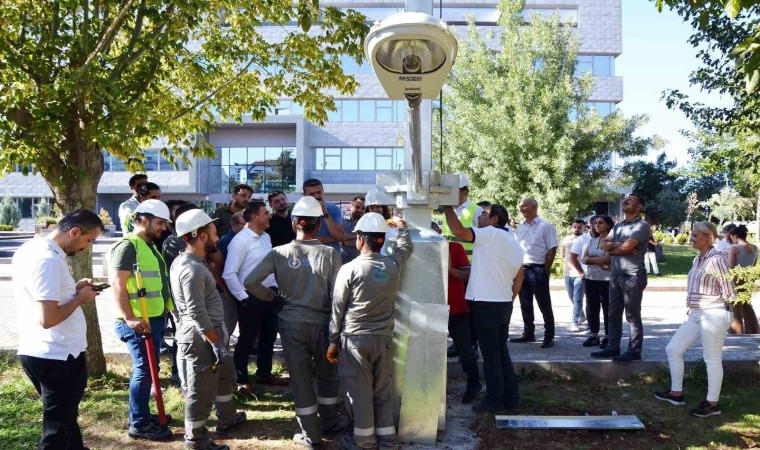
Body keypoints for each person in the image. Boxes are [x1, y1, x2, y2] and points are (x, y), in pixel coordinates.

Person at [244, 196, 347, 449]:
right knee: (327, 375)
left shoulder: (278, 253)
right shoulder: (330, 254)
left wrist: (274, 298)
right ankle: (330, 421)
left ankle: (310, 435)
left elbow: (250, 282)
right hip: (323, 325)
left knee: (300, 380)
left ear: (294, 224)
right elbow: (338, 296)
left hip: (291, 325)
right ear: (317, 225)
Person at [14, 209, 103, 450]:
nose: (87, 248)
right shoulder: (47, 260)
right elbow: (48, 318)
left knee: (65, 419)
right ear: (74, 231)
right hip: (55, 355)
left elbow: (46, 298)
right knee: (56, 431)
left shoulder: (34, 249)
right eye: (89, 240)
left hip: (50, 351)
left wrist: (74, 290)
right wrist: (79, 299)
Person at [327, 212, 412, 450]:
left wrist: (333, 342)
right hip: (383, 340)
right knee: (382, 391)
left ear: (361, 240)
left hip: (354, 341)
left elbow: (337, 309)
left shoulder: (349, 269)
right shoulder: (393, 264)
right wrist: (403, 229)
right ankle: (388, 440)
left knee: (360, 393)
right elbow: (405, 249)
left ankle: (364, 442)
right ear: (382, 240)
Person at [170, 209, 246, 450]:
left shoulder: (192, 263)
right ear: (202, 236)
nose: (217, 238)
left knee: (224, 377)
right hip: (202, 338)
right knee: (200, 389)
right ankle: (196, 439)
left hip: (210, 334)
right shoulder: (192, 269)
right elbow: (196, 311)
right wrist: (215, 342)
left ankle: (227, 418)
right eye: (214, 233)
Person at [445, 204, 525, 414]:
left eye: (483, 215)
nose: (478, 219)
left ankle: (494, 399)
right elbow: (519, 277)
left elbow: (458, 231)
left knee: (491, 356)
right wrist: (509, 298)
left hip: (486, 304)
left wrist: (447, 205)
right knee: (500, 353)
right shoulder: (512, 242)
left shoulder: (490, 235)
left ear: (494, 220)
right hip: (502, 303)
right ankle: (511, 398)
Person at [654, 221, 736, 418]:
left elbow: (729, 291)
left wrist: (719, 310)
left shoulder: (716, 259)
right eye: (691, 235)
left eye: (695, 236)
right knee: (673, 349)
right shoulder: (698, 259)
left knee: (712, 359)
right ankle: (676, 394)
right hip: (696, 314)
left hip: (714, 313)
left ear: (708, 237)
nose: (691, 238)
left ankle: (712, 404)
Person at [110, 199, 175, 441]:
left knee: (150, 369)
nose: (163, 228)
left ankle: (144, 415)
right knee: (143, 370)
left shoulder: (149, 245)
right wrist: (130, 317)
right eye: (159, 222)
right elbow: (118, 284)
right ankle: (138, 423)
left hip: (153, 317)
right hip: (138, 321)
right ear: (142, 219)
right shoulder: (128, 246)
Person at [223, 201, 288, 392]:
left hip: (269, 295)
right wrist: (243, 298)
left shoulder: (265, 237)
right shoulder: (240, 241)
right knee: (247, 339)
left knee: (269, 335)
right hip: (250, 296)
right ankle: (240, 379)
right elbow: (229, 273)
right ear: (254, 217)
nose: (269, 216)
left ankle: (264, 374)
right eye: (265, 213)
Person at [591, 194, 650, 363]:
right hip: (616, 274)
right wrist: (620, 247)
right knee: (613, 313)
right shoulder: (618, 226)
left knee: (632, 315)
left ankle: (634, 350)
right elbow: (602, 244)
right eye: (625, 199)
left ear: (639, 207)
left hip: (633, 275)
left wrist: (617, 247)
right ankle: (612, 347)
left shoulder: (642, 225)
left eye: (631, 199)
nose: (625, 200)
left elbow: (627, 246)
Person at [512, 198, 558, 348]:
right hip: (522, 268)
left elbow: (552, 249)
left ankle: (549, 336)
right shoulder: (520, 228)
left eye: (524, 206)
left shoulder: (546, 226)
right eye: (520, 206)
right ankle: (528, 333)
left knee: (544, 304)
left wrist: (545, 269)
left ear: (534, 206)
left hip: (537, 269)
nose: (521, 209)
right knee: (525, 303)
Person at [445, 240, 482, 404]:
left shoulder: (454, 247)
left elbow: (467, 275)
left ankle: (474, 383)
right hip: (427, 307)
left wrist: (448, 269)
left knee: (465, 349)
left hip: (455, 307)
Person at [581, 215, 614, 348]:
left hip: (606, 279)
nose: (597, 225)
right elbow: (584, 259)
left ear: (608, 225)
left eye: (600, 223)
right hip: (591, 278)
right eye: (595, 223)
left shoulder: (612, 241)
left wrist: (592, 260)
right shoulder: (592, 241)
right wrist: (597, 261)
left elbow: (607, 259)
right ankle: (594, 336)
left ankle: (607, 336)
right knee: (591, 308)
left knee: (607, 308)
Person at [440, 174, 484, 259]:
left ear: (465, 193)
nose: (449, 194)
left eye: (453, 191)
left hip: (468, 264)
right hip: (449, 261)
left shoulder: (477, 211)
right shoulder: (448, 211)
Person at [726, 225, 760, 334]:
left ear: (734, 236)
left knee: (736, 306)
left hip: (736, 279)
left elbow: (731, 267)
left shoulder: (734, 248)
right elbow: (753, 265)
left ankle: (737, 331)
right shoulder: (754, 248)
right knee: (747, 305)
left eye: (731, 237)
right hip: (748, 279)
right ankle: (754, 330)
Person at [303, 178, 344, 253]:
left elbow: (339, 236)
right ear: (305, 195)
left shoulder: (334, 209)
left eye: (319, 192)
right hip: (309, 257)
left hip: (332, 258)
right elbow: (306, 239)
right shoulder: (300, 212)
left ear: (323, 191)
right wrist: (333, 239)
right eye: (312, 194)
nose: (316, 196)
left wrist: (325, 212)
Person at [562, 220, 587, 332]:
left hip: (579, 273)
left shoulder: (586, 239)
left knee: (578, 299)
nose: (577, 229)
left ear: (584, 228)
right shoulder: (566, 239)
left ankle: (574, 322)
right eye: (575, 227)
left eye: (579, 227)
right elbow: (563, 254)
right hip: (567, 273)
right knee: (571, 297)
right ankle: (582, 315)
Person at [341, 195, 366, 263]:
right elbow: (340, 237)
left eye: (363, 208)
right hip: (340, 261)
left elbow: (364, 243)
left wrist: (346, 240)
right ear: (351, 206)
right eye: (357, 207)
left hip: (358, 263)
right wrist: (358, 237)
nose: (360, 210)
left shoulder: (366, 223)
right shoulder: (341, 220)